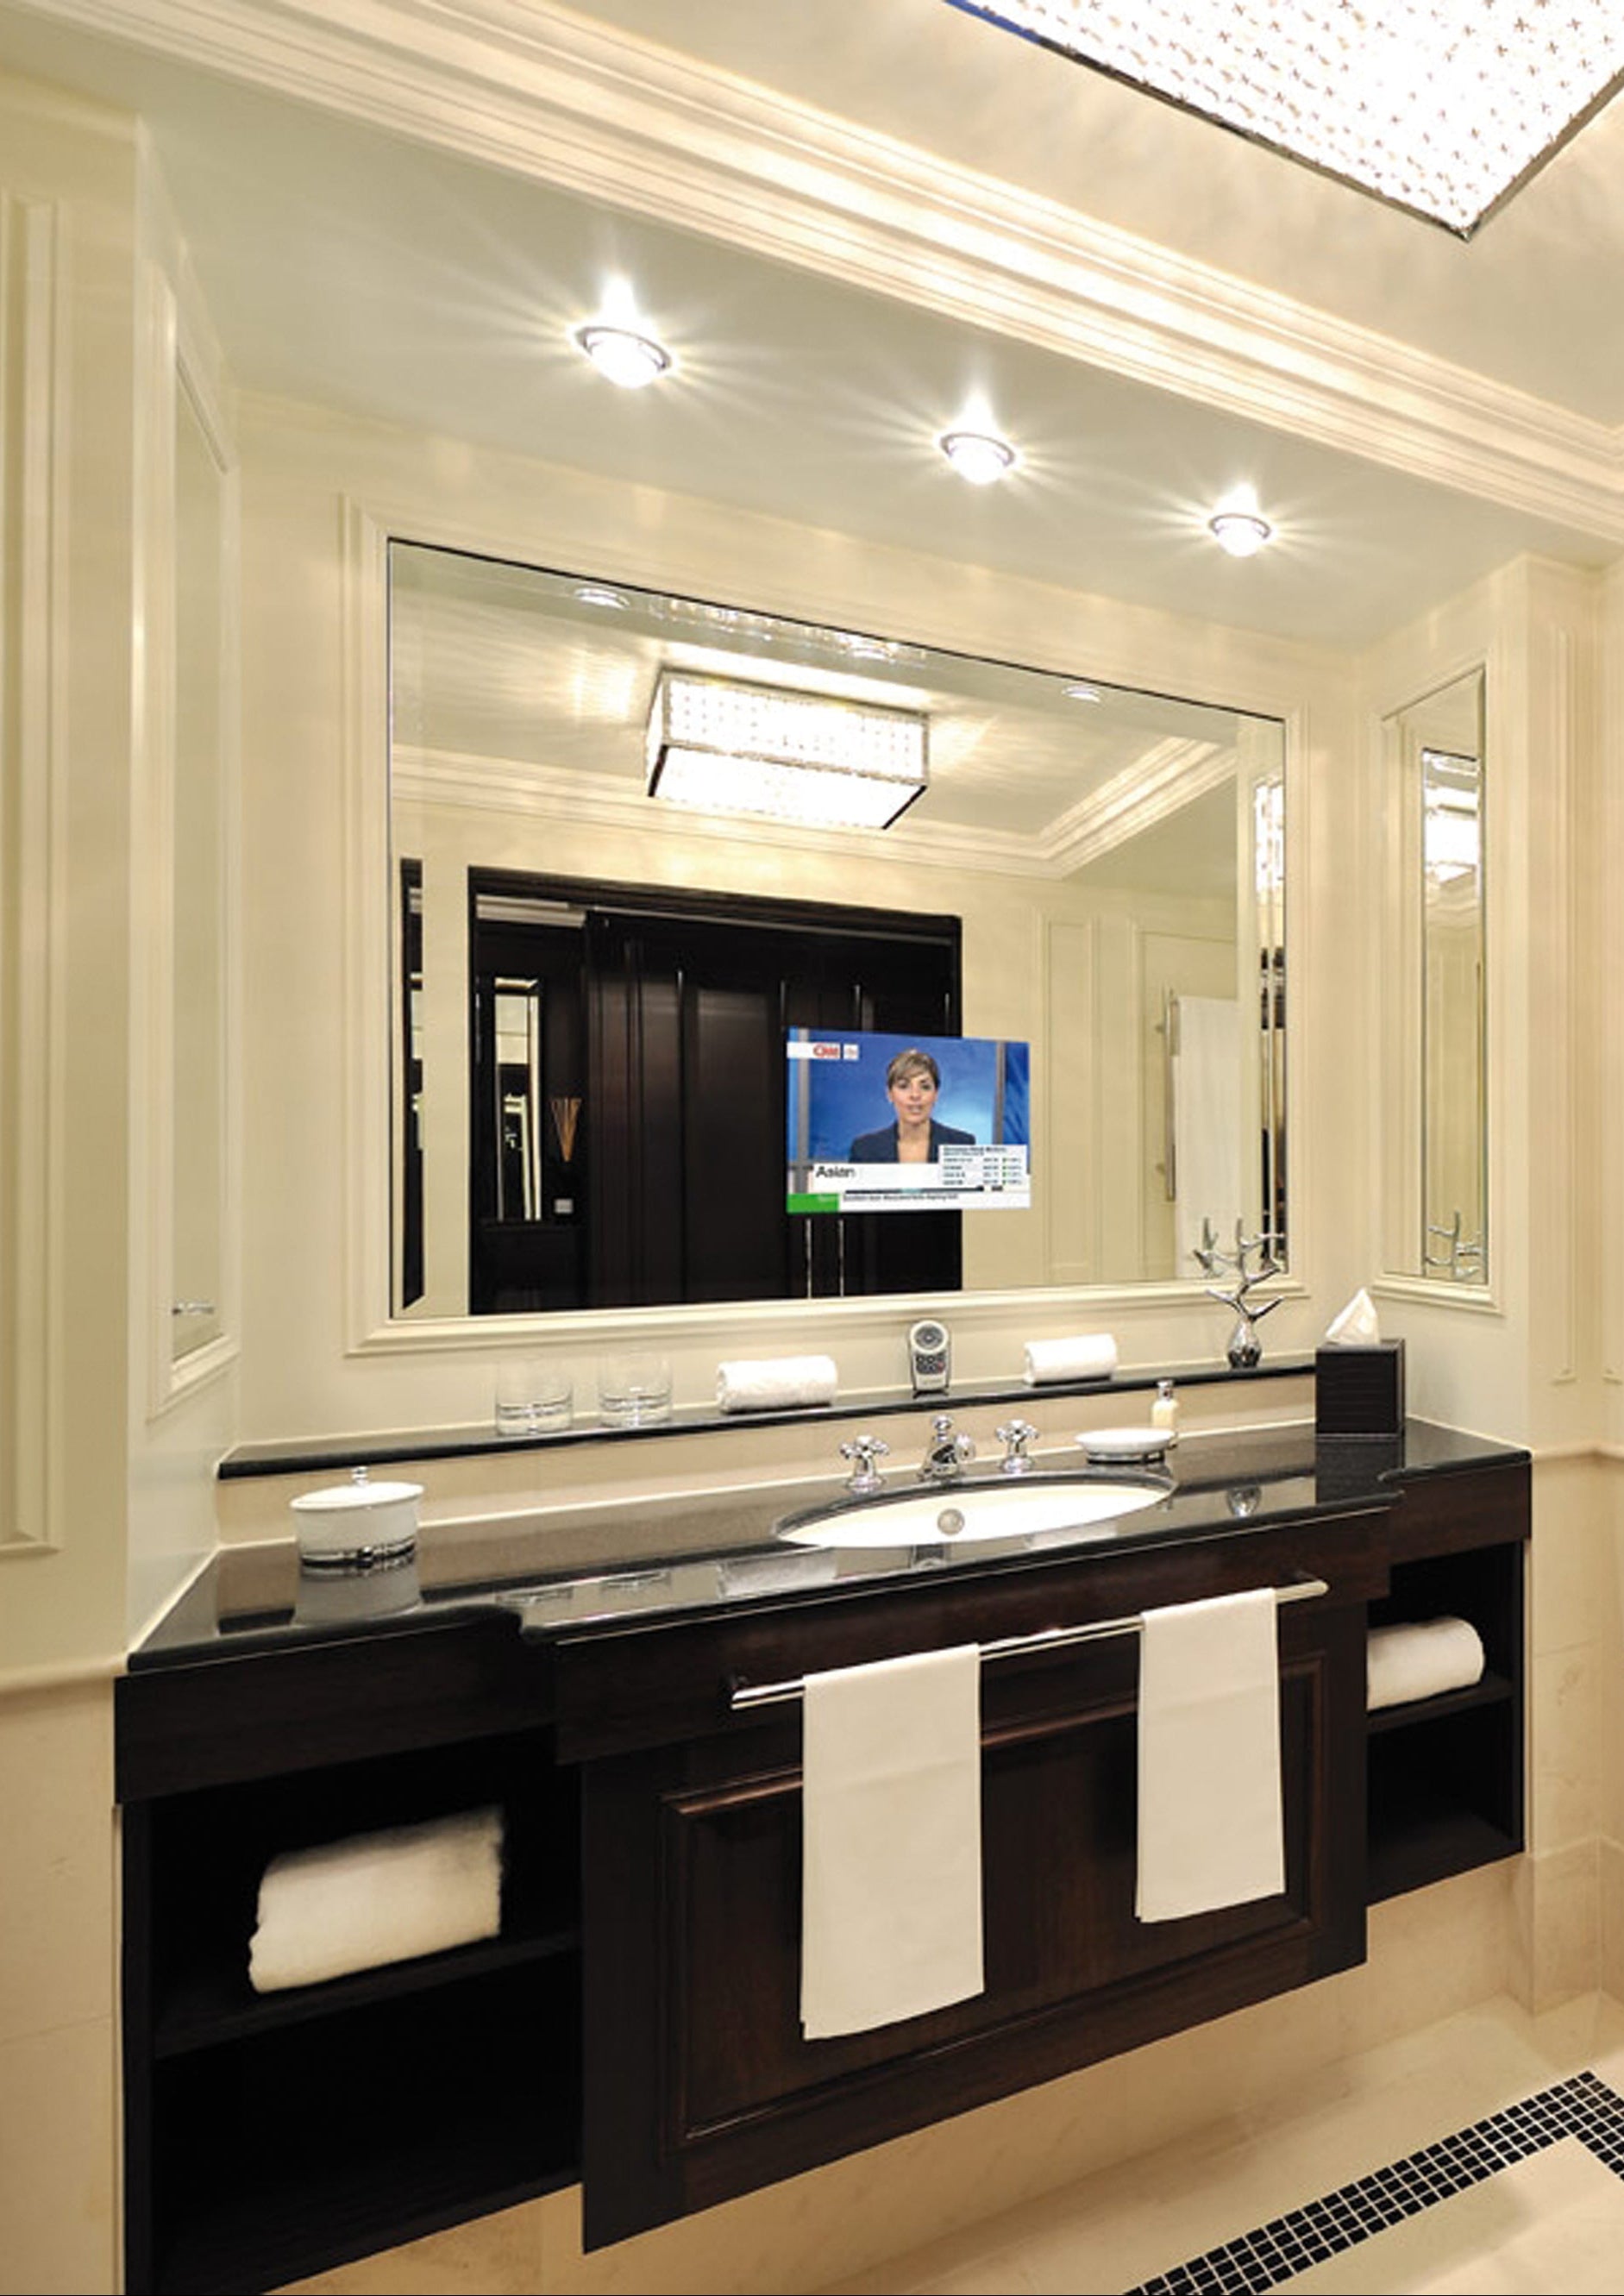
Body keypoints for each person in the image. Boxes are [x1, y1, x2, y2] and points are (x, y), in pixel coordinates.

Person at [848, 1047, 975, 1163]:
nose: (915, 1095)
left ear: (936, 1094)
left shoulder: (962, 1145)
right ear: (890, 1094)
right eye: (904, 1086)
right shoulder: (865, 1150)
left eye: (925, 1087)